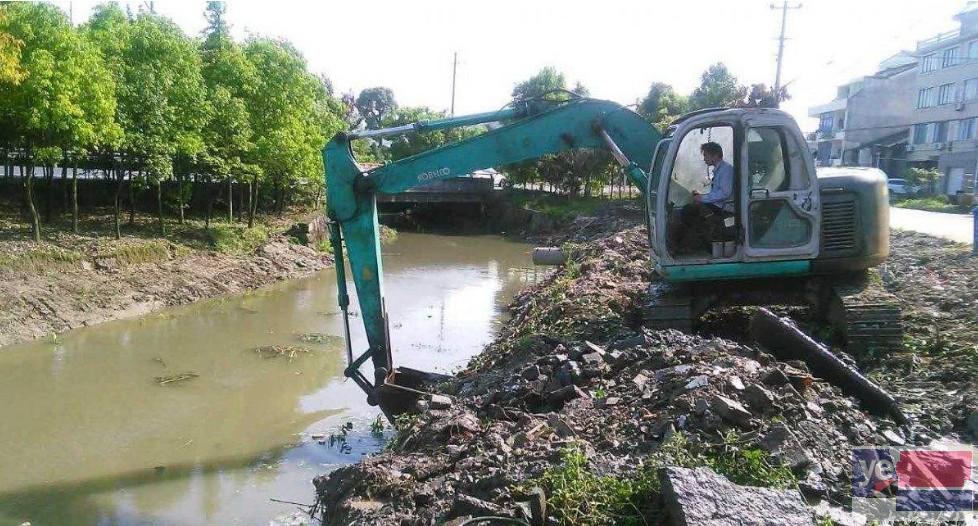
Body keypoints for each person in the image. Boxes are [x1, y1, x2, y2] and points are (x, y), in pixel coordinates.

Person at [674, 142, 735, 253]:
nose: (704, 159)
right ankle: (691, 245)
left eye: (705, 155)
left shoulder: (726, 170)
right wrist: (701, 195)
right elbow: (716, 191)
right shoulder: (719, 170)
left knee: (689, 212)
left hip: (724, 208)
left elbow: (725, 193)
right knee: (690, 210)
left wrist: (702, 198)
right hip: (717, 205)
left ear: (715, 155)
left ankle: (707, 247)